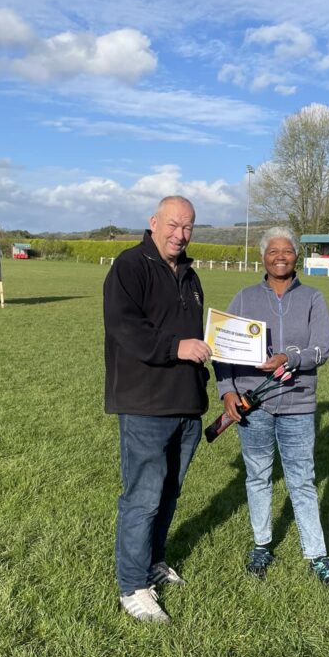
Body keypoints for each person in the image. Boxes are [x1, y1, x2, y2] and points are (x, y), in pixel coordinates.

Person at [216, 227, 329, 589]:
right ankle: (262, 546)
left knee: (302, 480)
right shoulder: (243, 298)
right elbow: (222, 349)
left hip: (298, 405)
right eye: (273, 251)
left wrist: (288, 357)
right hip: (251, 405)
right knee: (257, 476)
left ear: (296, 257)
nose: (279, 256)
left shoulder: (313, 298)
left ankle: (317, 555)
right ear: (263, 257)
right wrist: (227, 391)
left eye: (286, 251)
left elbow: (323, 348)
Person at [103, 196, 211, 623]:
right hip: (146, 404)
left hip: (186, 404)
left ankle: (153, 562)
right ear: (153, 223)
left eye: (187, 227)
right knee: (143, 498)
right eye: (173, 224)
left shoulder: (190, 274)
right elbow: (125, 328)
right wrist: (175, 347)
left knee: (168, 494)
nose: (179, 234)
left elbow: (197, 337)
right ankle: (132, 586)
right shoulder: (130, 266)